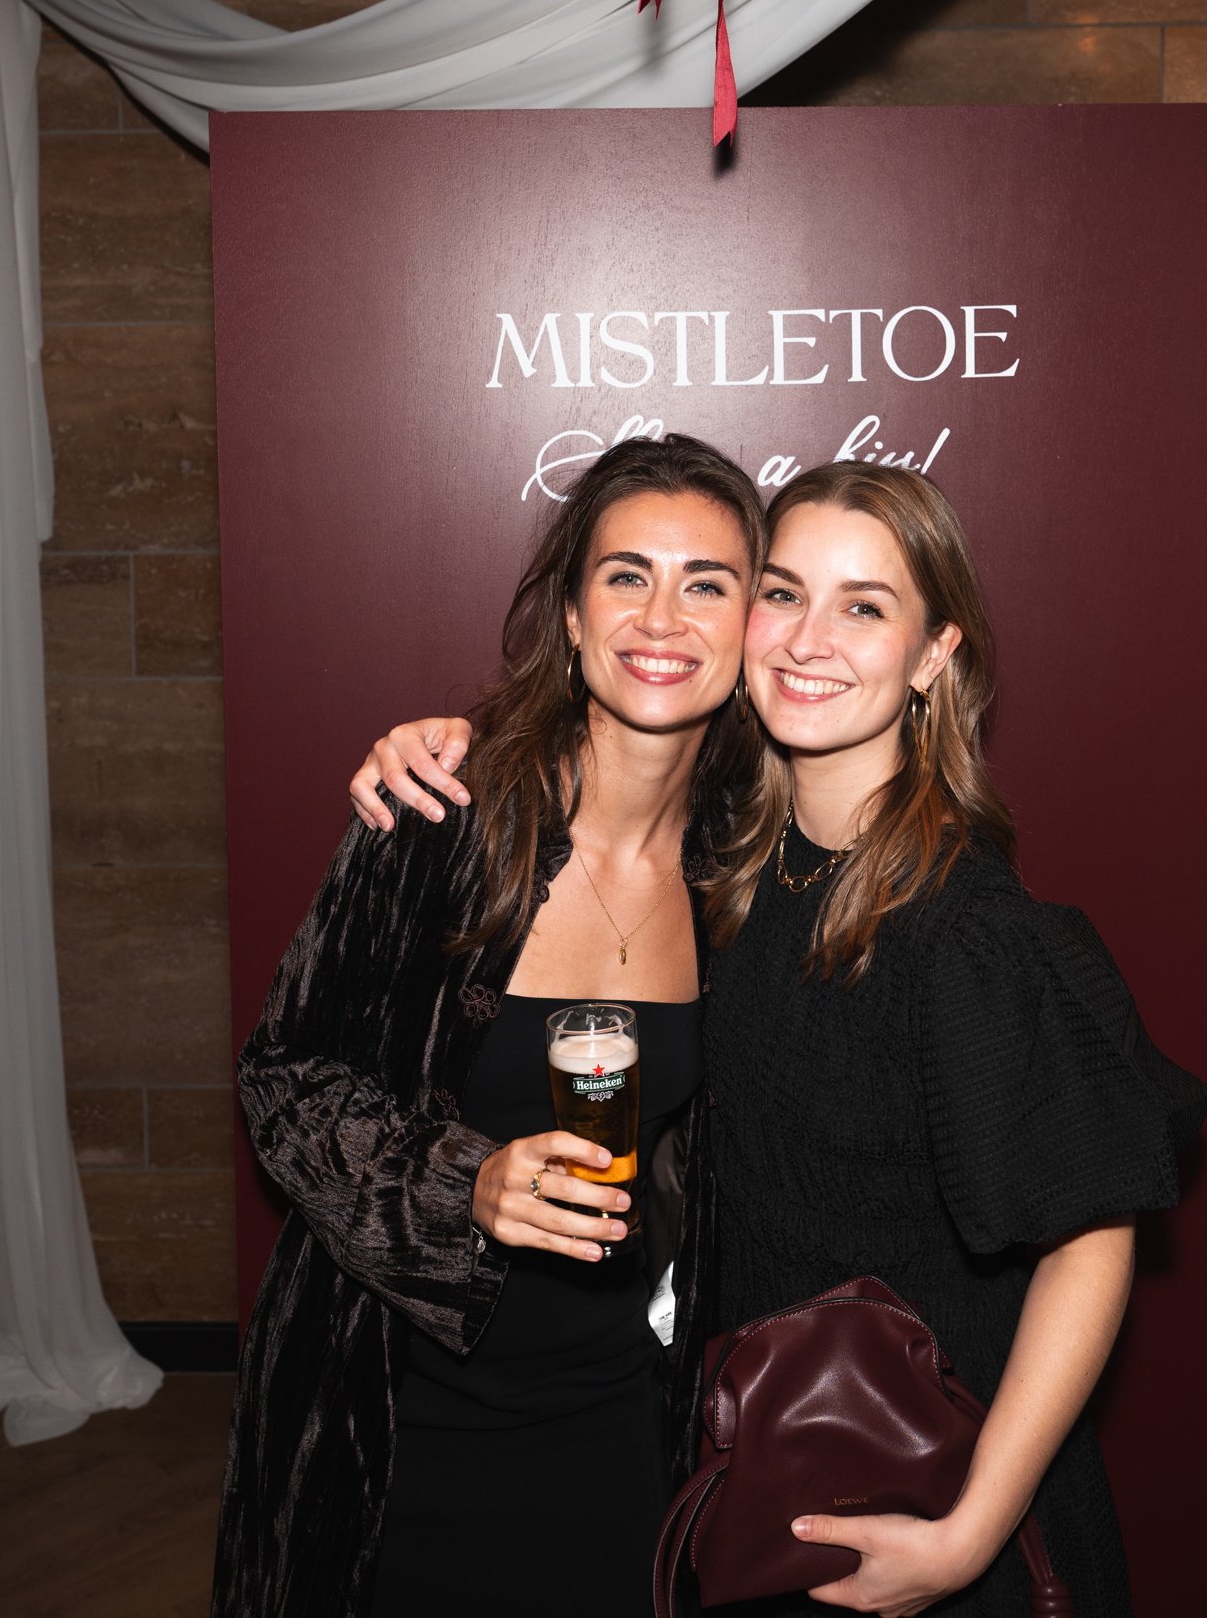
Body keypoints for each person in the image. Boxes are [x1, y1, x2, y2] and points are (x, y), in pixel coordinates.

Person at [349, 462, 1207, 1617]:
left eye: (865, 606)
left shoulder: (962, 927)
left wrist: (966, 1536)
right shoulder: (737, 874)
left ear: (935, 654)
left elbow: (1091, 1244)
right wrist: (459, 740)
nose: (809, 639)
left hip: (932, 1504)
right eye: (783, 593)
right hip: (766, 1478)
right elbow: (593, 762)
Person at [213, 433, 767, 1618]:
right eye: (625, 575)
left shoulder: (748, 867)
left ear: (749, 625)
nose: (661, 615)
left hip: (619, 1426)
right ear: (570, 615)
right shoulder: (442, 813)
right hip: (392, 1422)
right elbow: (283, 1076)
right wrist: (462, 1182)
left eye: (706, 582)